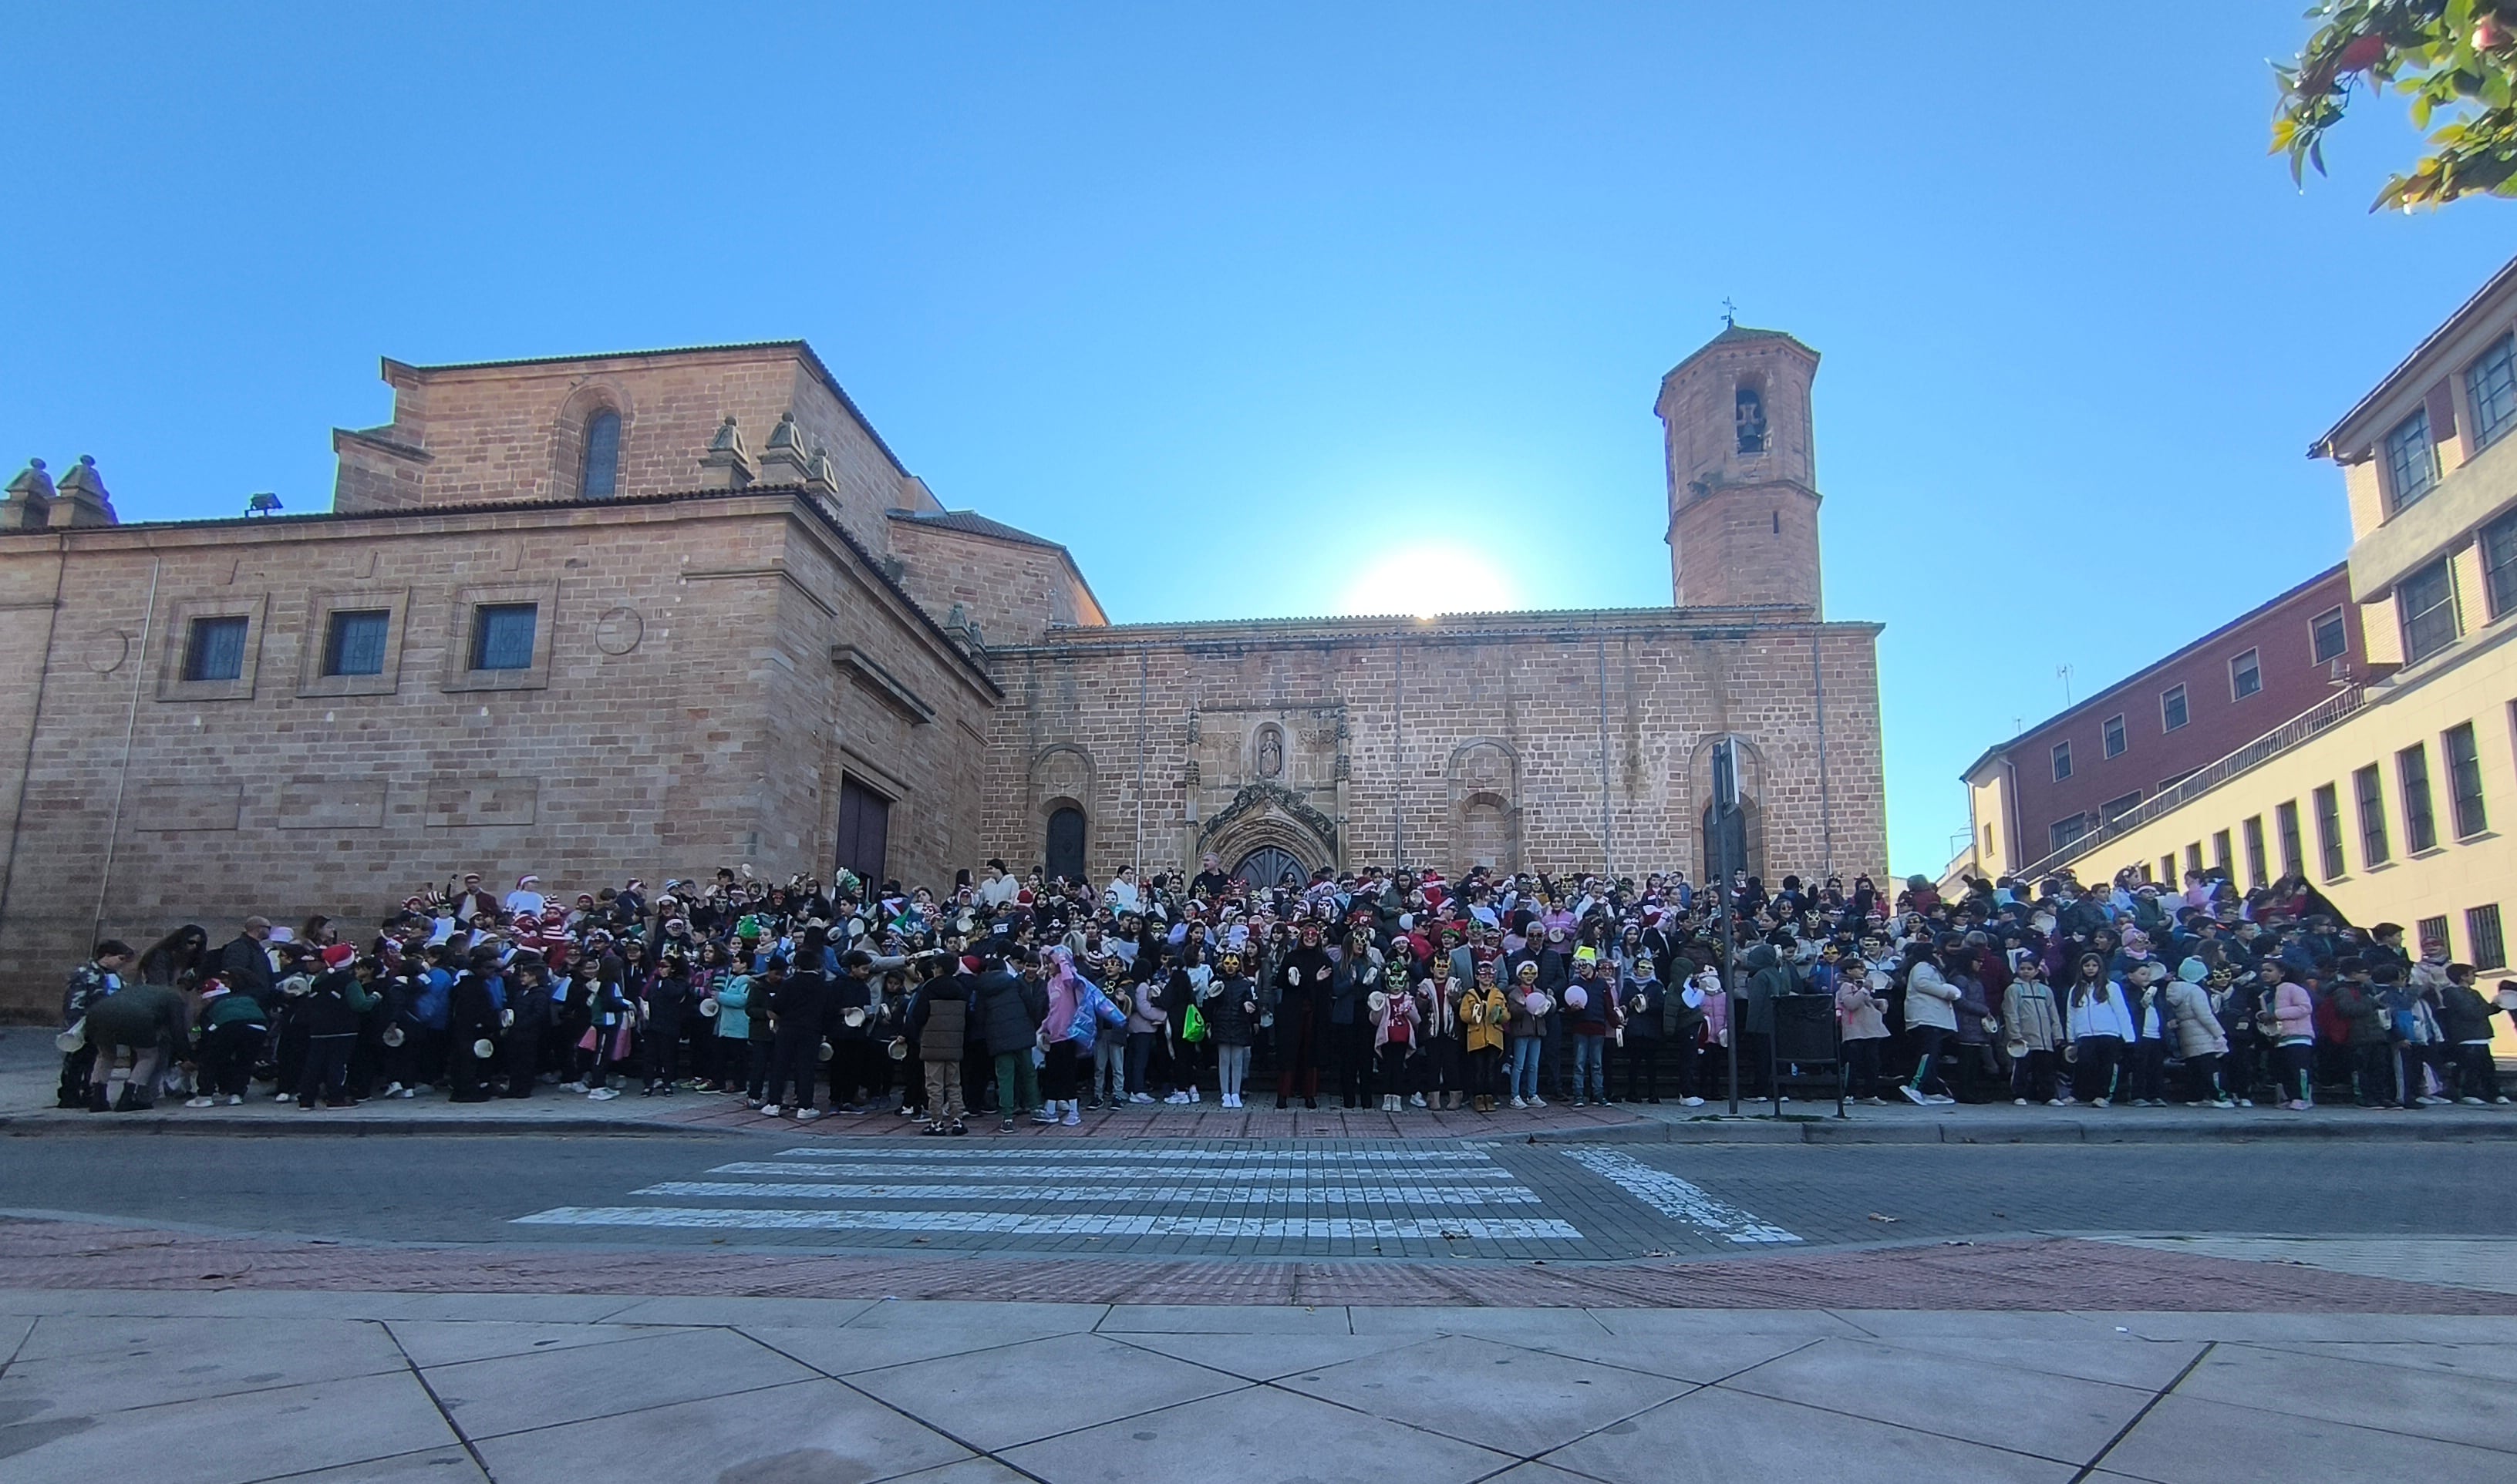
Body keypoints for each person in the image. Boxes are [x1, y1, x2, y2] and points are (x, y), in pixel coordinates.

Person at [57, 939, 133, 1109]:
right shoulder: (85, 974)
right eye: (120, 958)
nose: (122, 963)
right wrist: (75, 1026)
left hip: (102, 1025)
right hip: (84, 1023)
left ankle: (87, 1091)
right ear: (107, 956)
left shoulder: (115, 976)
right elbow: (74, 1002)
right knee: (76, 1060)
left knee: (93, 1059)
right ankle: (70, 1094)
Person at [907, 957, 972, 1135]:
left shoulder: (929, 988)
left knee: (934, 1085)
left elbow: (918, 1016)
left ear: (939, 968)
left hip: (932, 1043)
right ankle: (958, 1120)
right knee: (954, 1084)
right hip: (955, 1043)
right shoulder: (961, 989)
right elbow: (968, 1017)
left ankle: (937, 1123)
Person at [2065, 952, 2132, 1108]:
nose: (2090, 969)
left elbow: (2121, 1012)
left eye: (2094, 965)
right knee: (2085, 1063)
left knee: (2106, 1066)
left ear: (2100, 967)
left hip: (2108, 1033)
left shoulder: (2111, 987)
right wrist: (2071, 1037)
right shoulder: (2075, 989)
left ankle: (2102, 1096)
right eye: (2087, 965)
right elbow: (2071, 1014)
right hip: (2085, 1034)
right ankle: (2079, 1094)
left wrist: (2129, 1037)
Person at [2162, 957, 2232, 1108]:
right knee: (2210, 1067)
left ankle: (2195, 1096)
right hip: (2201, 1033)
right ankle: (2218, 1097)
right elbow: (2205, 1015)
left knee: (2194, 1067)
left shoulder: (2172, 989)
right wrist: (2218, 1033)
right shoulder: (2195, 990)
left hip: (2185, 1032)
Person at [1898, 938, 1959, 1105]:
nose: (1939, 956)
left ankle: (1931, 1090)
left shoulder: (1930, 969)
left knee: (1932, 1054)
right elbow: (1921, 983)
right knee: (1927, 1054)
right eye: (1935, 953)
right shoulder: (1923, 967)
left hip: (1932, 1018)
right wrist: (1946, 992)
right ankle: (1914, 1086)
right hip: (1926, 1017)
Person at [1999, 955, 2064, 1107]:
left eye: (2030, 969)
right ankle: (2018, 1095)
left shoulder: (2045, 990)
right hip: (2024, 1037)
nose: (2026, 972)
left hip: (2044, 1038)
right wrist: (2015, 1034)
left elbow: (2053, 1013)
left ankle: (2048, 1096)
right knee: (2021, 1067)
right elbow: (2010, 1012)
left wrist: (2057, 1033)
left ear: (2036, 971)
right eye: (2022, 969)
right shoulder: (2013, 989)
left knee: (2046, 1069)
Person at [1205, 950, 1261, 1109]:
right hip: (1222, 1024)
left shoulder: (1245, 983)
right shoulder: (1217, 981)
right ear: (1222, 964)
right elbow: (1209, 1004)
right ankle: (1225, 1093)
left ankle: (1236, 1093)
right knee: (1223, 1060)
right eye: (1227, 963)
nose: (1230, 967)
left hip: (1240, 1024)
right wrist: (1209, 1018)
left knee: (1237, 1061)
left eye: (1234, 964)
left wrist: (1251, 1010)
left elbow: (1253, 1001)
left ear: (1239, 965)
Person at [1459, 959, 1508, 1113]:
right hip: (1476, 1037)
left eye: (1490, 974)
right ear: (1477, 976)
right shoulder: (1470, 995)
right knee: (1478, 1069)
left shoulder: (1498, 994)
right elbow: (1463, 1014)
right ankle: (1478, 1097)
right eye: (1483, 974)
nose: (1486, 977)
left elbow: (1506, 1014)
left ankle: (1490, 1096)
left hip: (1494, 1037)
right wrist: (1474, 1015)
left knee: (1491, 1069)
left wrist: (1500, 1015)